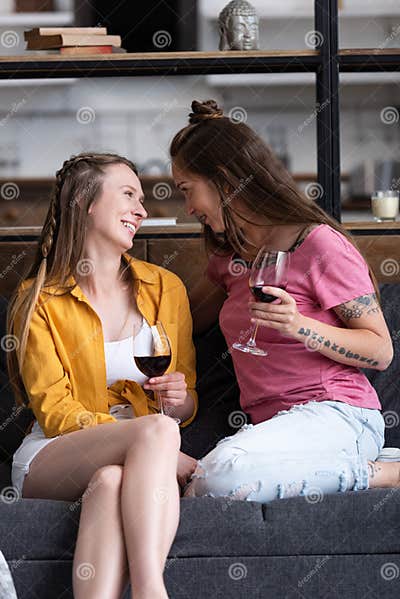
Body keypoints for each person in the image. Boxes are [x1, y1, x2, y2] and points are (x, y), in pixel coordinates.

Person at [169, 99, 400, 504]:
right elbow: (180, 320)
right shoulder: (230, 260)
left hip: (338, 415)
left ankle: (382, 473)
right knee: (205, 487)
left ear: (224, 181)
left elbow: (380, 351)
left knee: (215, 479)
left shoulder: (319, 245)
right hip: (271, 431)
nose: (188, 208)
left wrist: (299, 327)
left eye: (188, 190)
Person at [6, 152, 198, 599]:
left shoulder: (166, 289)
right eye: (129, 194)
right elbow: (55, 415)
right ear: (84, 202)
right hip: (53, 455)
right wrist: (154, 441)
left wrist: (177, 398)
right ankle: (152, 591)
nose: (142, 210)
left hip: (138, 455)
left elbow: (186, 407)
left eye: (142, 199)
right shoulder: (38, 299)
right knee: (156, 431)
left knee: (112, 479)